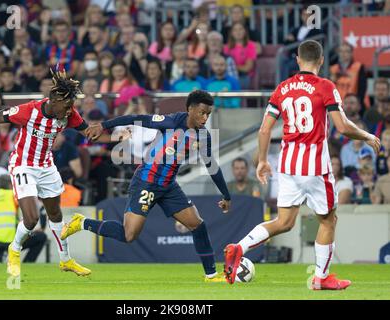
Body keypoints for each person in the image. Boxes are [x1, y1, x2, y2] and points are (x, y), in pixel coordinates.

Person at [223, 40, 381, 290]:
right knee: (328, 221)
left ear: (297, 59)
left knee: (284, 222)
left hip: (288, 165)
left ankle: (238, 248)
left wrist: (263, 160)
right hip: (316, 166)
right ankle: (321, 278)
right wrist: (367, 135)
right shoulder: (326, 87)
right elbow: (341, 127)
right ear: (320, 61)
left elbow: (265, 129)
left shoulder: (282, 88)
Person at [61, 90, 232, 282]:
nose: (205, 117)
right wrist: (103, 125)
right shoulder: (171, 122)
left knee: (198, 225)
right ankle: (82, 222)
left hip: (169, 187)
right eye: (202, 112)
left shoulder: (203, 136)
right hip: (146, 182)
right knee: (129, 235)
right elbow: (136, 117)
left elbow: (212, 167)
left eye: (208, 113)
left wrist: (226, 195)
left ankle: (211, 275)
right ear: (190, 109)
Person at [0, 67, 92, 278]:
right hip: (23, 164)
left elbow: (89, 132)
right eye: (66, 105)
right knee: (31, 220)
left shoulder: (69, 114)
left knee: (55, 215)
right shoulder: (27, 111)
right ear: (53, 100)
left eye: (71, 106)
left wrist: (115, 132)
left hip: (46, 166)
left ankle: (65, 260)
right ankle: (14, 249)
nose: (70, 110)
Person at [0, 174, 47, 263]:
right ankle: (28, 264)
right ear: (11, 184)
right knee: (40, 237)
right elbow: (34, 207)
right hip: (7, 239)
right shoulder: (13, 194)